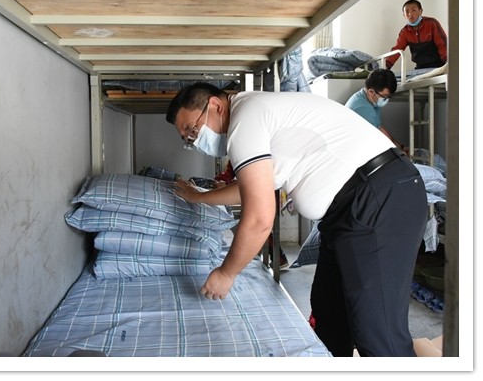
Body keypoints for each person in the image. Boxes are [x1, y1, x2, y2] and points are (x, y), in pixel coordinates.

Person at [166, 82, 427, 357]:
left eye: (193, 130)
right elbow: (251, 189)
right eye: (188, 139)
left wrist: (226, 273)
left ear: (215, 106)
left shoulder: (245, 119)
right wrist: (199, 197)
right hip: (355, 207)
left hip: (376, 198)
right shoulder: (256, 113)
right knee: (329, 312)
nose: (195, 140)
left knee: (377, 331)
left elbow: (260, 218)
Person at [344, 68, 405, 149]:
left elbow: (379, 128)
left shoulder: (370, 101)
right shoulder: (363, 108)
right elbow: (379, 138)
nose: (386, 99)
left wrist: (401, 147)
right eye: (384, 96)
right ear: (371, 92)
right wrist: (398, 151)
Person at [385, 0, 448, 73]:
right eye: (407, 12)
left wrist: (448, 62)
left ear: (421, 11)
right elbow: (397, 50)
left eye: (413, 10)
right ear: (404, 15)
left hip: (438, 65)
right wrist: (386, 66)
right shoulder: (405, 32)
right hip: (420, 67)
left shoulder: (431, 23)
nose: (410, 14)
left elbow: (443, 45)